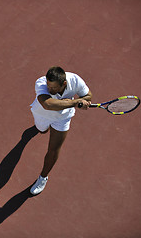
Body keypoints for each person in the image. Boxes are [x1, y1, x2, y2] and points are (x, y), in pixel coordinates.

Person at [29, 66, 92, 195]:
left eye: (53, 87)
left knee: (53, 149)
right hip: (42, 114)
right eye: (48, 85)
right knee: (42, 131)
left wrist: (83, 101)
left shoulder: (75, 80)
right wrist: (75, 102)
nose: (49, 89)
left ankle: (43, 177)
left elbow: (88, 96)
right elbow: (48, 104)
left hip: (62, 119)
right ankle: (41, 129)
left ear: (64, 84)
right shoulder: (41, 82)